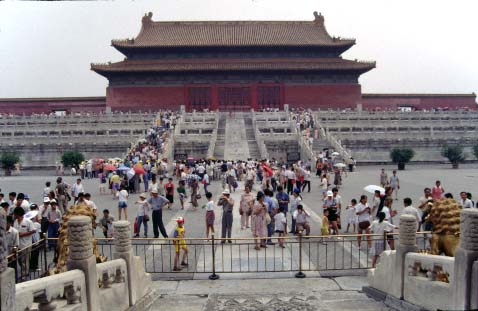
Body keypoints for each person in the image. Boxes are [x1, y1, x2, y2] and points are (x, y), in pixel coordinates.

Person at [13, 207, 35, 281]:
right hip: (18, 244)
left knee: (25, 260)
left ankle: (24, 274)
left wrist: (24, 234)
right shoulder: (15, 222)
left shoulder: (28, 221)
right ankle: (25, 271)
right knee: (20, 260)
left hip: (26, 244)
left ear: (17, 214)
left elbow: (33, 230)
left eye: (15, 214)